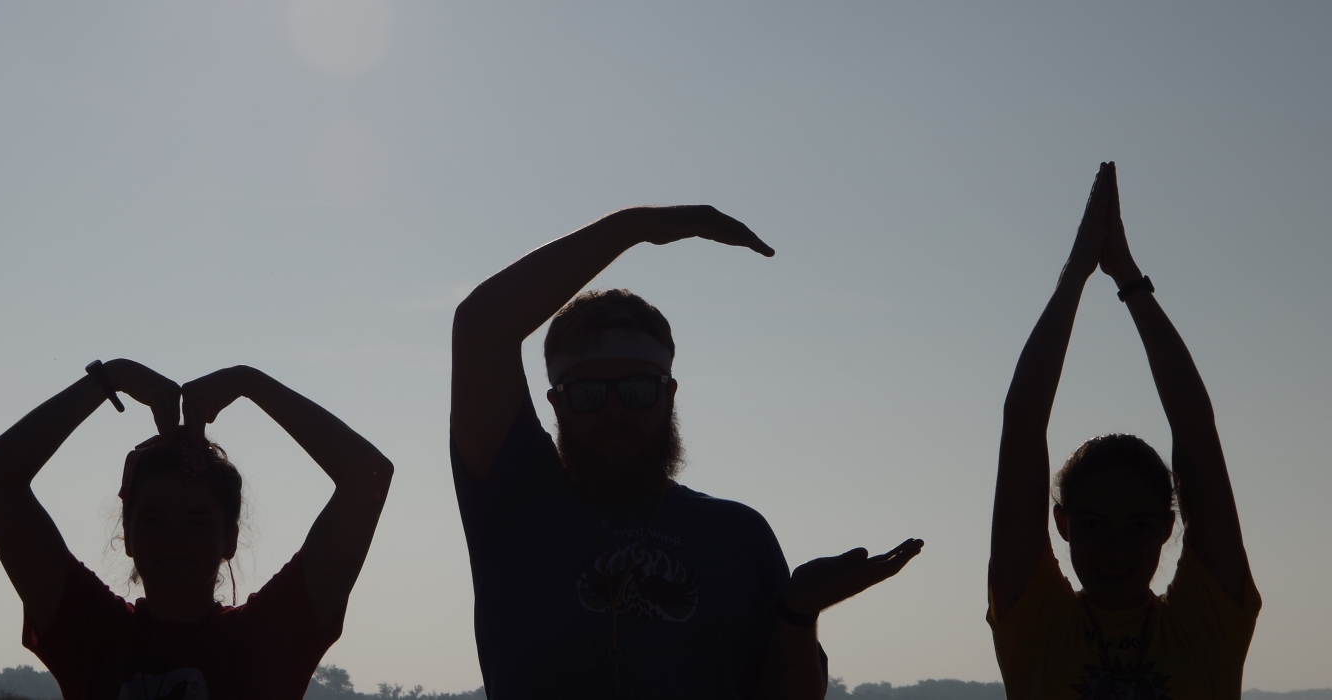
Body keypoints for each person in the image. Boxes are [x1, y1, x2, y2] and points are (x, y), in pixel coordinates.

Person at [450, 205, 924, 699]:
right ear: (555, 403)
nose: (615, 413)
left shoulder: (737, 535)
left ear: (669, 394)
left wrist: (797, 615)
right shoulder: (515, 502)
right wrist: (635, 228)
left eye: (636, 390)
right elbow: (482, 326)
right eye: (589, 394)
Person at [989, 163, 1258, 700]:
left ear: (1167, 525)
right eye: (1093, 524)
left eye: (1138, 526)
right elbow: (1022, 427)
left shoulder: (1209, 625)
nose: (1116, 549)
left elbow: (1196, 432)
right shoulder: (1034, 625)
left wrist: (1130, 283)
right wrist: (1074, 277)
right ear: (1062, 524)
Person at [0, 361, 392, 700]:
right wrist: (105, 378)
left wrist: (251, 381)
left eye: (196, 521)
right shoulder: (91, 630)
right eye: (154, 521)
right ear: (127, 536)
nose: (174, 539)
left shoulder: (266, 639)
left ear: (229, 538)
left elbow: (369, 477)